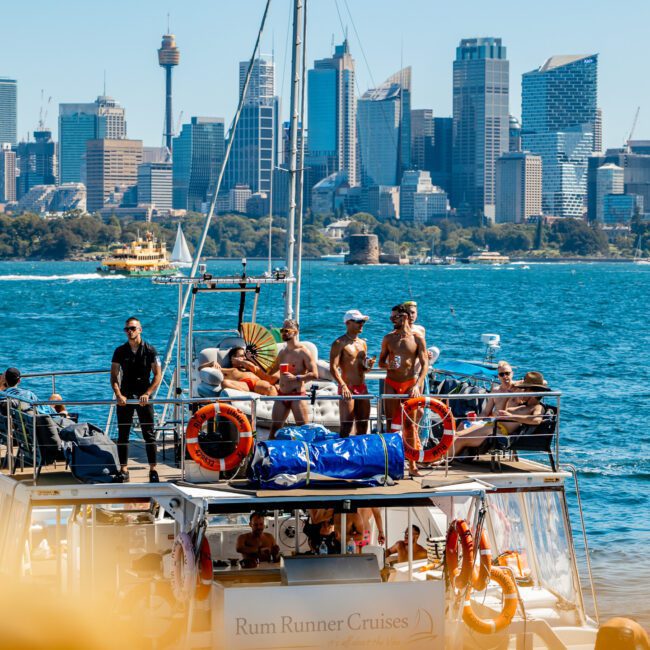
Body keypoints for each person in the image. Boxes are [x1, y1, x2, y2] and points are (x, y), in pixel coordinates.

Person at [110, 317, 162, 483]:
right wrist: (118, 394)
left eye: (132, 328)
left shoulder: (150, 350)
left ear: (140, 329)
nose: (129, 331)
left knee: (149, 433)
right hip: (125, 394)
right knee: (123, 434)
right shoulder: (120, 351)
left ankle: (153, 469)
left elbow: (158, 375)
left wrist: (147, 393)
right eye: (127, 329)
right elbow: (113, 375)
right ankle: (124, 470)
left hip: (143, 394)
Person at [379, 305, 428, 476]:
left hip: (410, 383)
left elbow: (424, 364)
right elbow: (381, 362)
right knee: (391, 423)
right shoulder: (388, 338)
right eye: (391, 317)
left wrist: (417, 385)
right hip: (392, 382)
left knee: (410, 426)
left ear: (405, 317)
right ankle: (392, 464)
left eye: (395, 317)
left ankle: (413, 465)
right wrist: (387, 365)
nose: (392, 320)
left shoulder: (417, 338)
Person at [453, 371, 549, 457]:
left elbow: (537, 420)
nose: (523, 391)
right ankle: (444, 458)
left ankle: (443, 460)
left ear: (534, 393)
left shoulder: (537, 407)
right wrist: (508, 397)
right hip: (493, 425)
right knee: (457, 434)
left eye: (526, 389)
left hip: (497, 430)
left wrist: (512, 416)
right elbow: (501, 413)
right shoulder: (523, 406)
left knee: (461, 438)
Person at [269, 319, 318, 439]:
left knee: (303, 429)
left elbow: (315, 374)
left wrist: (296, 377)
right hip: (282, 395)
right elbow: (270, 371)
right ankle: (268, 454)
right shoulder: (282, 352)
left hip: (297, 395)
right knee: (275, 428)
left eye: (286, 330)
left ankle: (307, 454)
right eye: (282, 330)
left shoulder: (303, 351)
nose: (283, 333)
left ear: (295, 332)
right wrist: (252, 361)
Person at [329, 309, 374, 436]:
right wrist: (342, 385)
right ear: (348, 323)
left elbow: (364, 369)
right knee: (346, 425)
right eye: (359, 321)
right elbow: (333, 367)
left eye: (363, 322)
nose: (362, 324)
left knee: (363, 424)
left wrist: (368, 366)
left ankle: (361, 453)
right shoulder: (339, 343)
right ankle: (343, 454)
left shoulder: (363, 343)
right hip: (347, 387)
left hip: (362, 386)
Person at [199, 347, 278, 396]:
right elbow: (200, 369)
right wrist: (211, 363)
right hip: (243, 385)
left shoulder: (251, 367)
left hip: (257, 382)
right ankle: (247, 395)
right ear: (233, 358)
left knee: (271, 388)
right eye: (241, 356)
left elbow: (266, 375)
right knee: (225, 383)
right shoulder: (231, 370)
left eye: (245, 356)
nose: (244, 358)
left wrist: (244, 362)